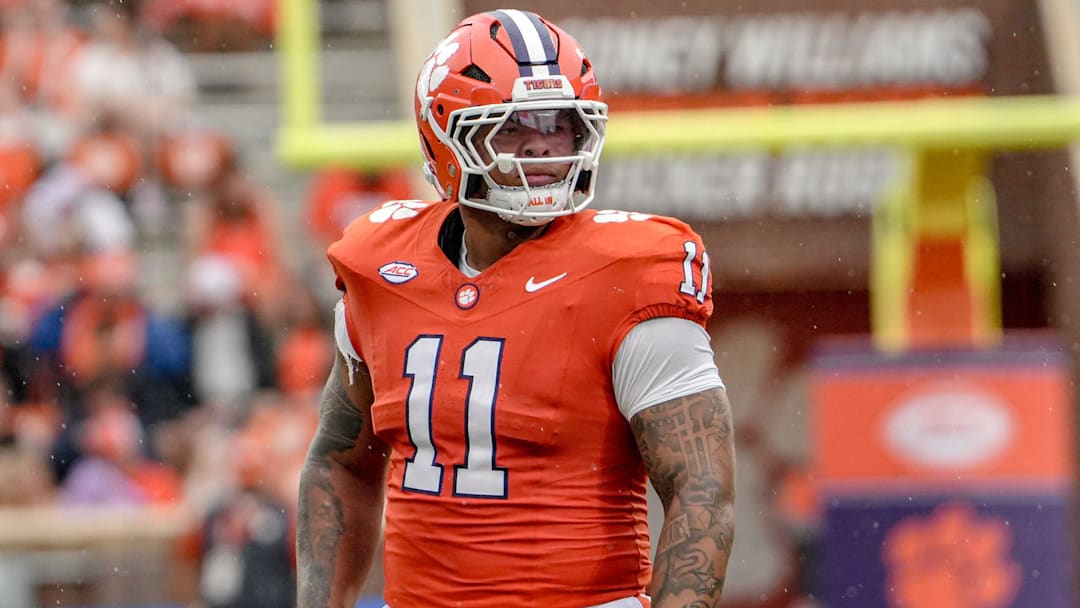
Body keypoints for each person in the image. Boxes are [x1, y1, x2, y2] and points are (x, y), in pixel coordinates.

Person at [297, 9, 735, 608]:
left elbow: (701, 488)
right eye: (513, 128)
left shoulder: (629, 274)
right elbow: (340, 463)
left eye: (561, 125)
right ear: (444, 137)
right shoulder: (382, 266)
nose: (544, 147)